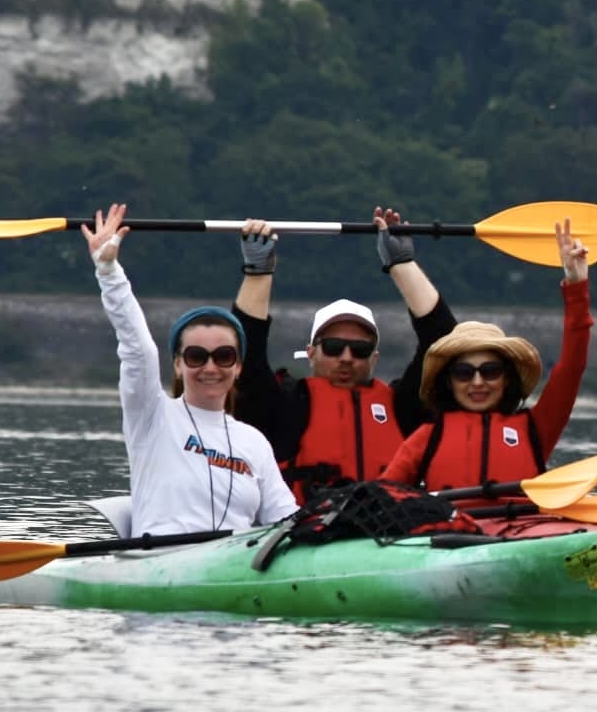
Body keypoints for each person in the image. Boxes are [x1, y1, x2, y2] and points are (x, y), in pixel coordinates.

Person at [82, 203, 298, 536]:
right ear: (179, 365)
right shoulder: (152, 415)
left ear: (238, 367)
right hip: (159, 566)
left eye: (224, 356)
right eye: (197, 356)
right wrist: (109, 272)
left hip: (232, 568)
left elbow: (286, 519)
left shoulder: (253, 442)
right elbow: (138, 349)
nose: (210, 367)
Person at [232, 208, 459, 502]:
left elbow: (443, 343)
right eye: (334, 347)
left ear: (374, 358)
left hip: (390, 531)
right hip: (309, 531)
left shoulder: (402, 407)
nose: (347, 357)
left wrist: (403, 265)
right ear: (311, 353)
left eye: (361, 350)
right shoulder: (286, 406)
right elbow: (246, 356)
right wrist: (258, 273)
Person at [381, 219, 592, 504]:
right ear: (449, 381)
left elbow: (572, 368)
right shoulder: (426, 436)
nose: (477, 382)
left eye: (490, 371)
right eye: (464, 373)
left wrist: (576, 285)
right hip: (446, 537)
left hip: (521, 534)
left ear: (507, 379)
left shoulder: (536, 429)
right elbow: (382, 496)